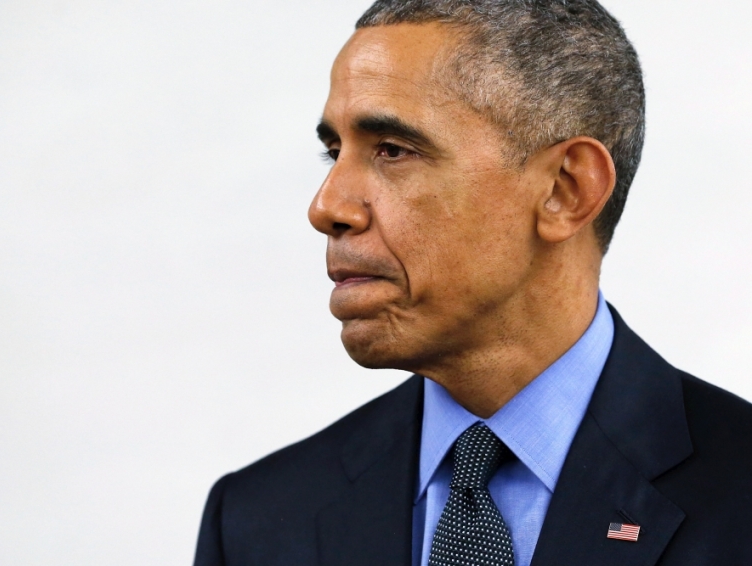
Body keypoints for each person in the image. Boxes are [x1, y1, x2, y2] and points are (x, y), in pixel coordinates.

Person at [194, 1, 752, 564]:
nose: (327, 207)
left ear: (565, 189)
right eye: (333, 152)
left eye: (392, 150)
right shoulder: (254, 523)